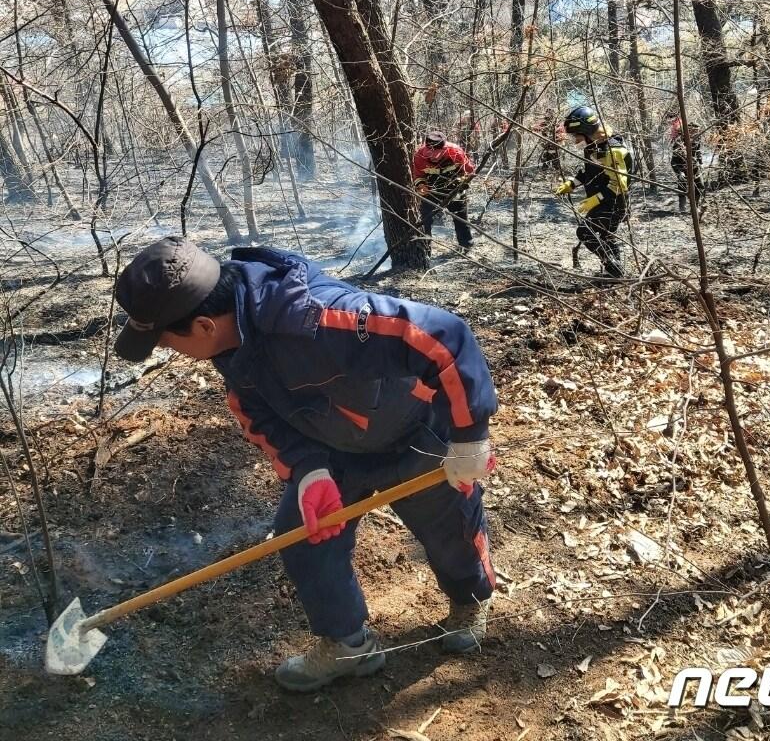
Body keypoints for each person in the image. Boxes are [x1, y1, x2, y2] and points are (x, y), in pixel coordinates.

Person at [112, 237, 497, 692]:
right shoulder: (229, 346)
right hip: (331, 454)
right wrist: (308, 468)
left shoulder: (321, 316)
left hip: (414, 436)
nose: (169, 351)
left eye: (166, 342)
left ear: (200, 326)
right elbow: (258, 415)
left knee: (450, 528)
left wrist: (469, 434)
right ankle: (347, 644)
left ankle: (470, 601)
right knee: (306, 540)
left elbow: (443, 336)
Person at [553, 104, 632, 277]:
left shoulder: (613, 150)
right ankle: (616, 274)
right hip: (603, 201)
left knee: (585, 232)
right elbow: (588, 172)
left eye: (577, 135)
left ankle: (614, 269)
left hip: (614, 202)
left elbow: (620, 185)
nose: (575, 140)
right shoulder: (593, 146)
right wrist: (572, 184)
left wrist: (595, 200)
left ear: (587, 131)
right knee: (606, 237)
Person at [412, 130, 475, 250]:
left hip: (453, 188)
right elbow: (418, 175)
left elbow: (469, 170)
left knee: (460, 218)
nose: (433, 157)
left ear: (444, 149)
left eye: (437, 154)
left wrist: (462, 181)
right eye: (430, 153)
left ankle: (467, 246)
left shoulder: (455, 151)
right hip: (431, 190)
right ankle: (425, 248)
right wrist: (421, 186)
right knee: (425, 219)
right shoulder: (419, 155)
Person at [669, 114, 704, 213]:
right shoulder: (679, 142)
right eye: (694, 131)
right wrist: (679, 172)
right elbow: (674, 161)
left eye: (697, 131)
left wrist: (700, 163)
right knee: (682, 185)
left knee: (700, 185)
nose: (696, 133)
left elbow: (698, 151)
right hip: (682, 167)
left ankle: (695, 207)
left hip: (694, 166)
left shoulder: (697, 139)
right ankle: (682, 207)